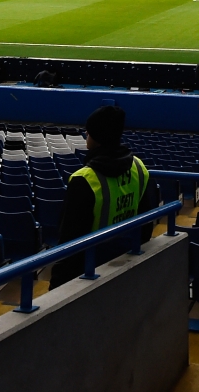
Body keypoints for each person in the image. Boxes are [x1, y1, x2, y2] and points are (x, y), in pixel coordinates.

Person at [50, 105, 158, 287]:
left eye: (89, 131)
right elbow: (146, 224)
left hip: (89, 273)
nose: (86, 134)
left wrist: (56, 287)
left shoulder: (83, 180)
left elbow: (69, 242)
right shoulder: (139, 167)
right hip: (126, 261)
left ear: (97, 137)